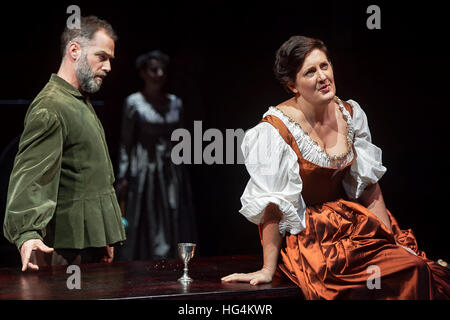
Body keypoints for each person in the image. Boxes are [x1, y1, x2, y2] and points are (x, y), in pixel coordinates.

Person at [222, 36, 450, 299]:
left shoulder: (350, 114)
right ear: (292, 85)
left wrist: (391, 240)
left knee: (414, 267)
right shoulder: (275, 131)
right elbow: (272, 205)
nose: (322, 77)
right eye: (310, 72)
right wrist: (267, 268)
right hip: (314, 238)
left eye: (324, 66)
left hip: (354, 227)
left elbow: (368, 185)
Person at [3, 16, 126, 271]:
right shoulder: (51, 106)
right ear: (74, 50)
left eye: (110, 59)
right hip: (64, 251)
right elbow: (31, 176)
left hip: (86, 245)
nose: (108, 67)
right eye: (101, 56)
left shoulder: (78, 100)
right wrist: (27, 234)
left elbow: (89, 177)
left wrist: (101, 231)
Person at [116, 50, 196, 261]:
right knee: (148, 212)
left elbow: (181, 137)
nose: (159, 74)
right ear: (143, 73)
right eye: (154, 69)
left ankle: (174, 260)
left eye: (162, 70)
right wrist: (123, 175)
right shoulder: (134, 102)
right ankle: (143, 262)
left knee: (172, 210)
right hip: (145, 166)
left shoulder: (175, 102)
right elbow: (126, 142)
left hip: (170, 167)